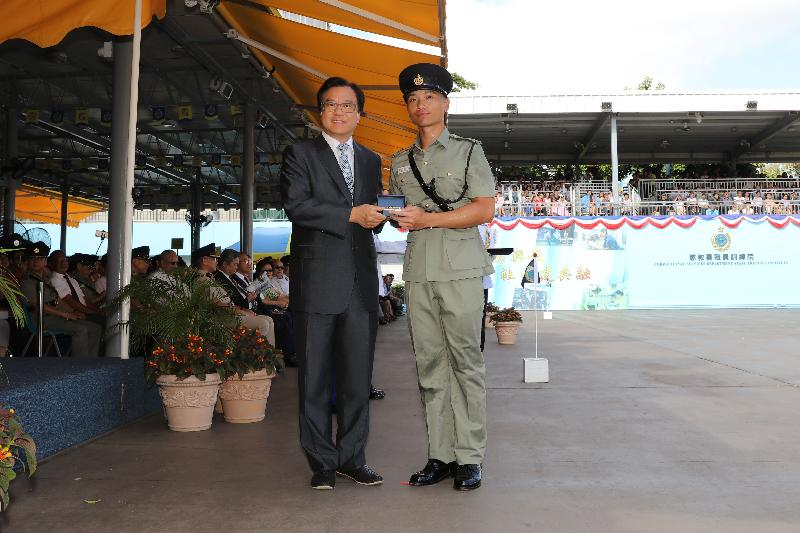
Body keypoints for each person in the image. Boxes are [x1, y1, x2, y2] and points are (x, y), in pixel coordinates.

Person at [389, 63, 495, 491]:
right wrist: (393, 217)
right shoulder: (399, 160)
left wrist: (428, 219)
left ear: (445, 104)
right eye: (412, 99)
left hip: (463, 270)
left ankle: (470, 457)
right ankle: (441, 454)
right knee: (429, 365)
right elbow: (402, 216)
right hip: (419, 273)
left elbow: (483, 209)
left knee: (466, 364)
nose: (420, 105)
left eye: (428, 97)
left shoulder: (469, 151)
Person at [279, 76, 385, 490]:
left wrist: (381, 218)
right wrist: (349, 216)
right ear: (319, 112)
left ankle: (352, 458)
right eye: (330, 104)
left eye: (347, 105)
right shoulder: (300, 152)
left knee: (359, 380)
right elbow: (297, 205)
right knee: (315, 382)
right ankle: (322, 462)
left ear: (360, 113)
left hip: (359, 285)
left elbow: (367, 213)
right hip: (318, 281)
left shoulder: (372, 159)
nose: (339, 111)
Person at [20, 242, 102, 358]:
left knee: (95, 328)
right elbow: (39, 305)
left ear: (45, 262)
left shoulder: (45, 279)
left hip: (54, 316)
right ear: (27, 261)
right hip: (40, 318)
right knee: (81, 329)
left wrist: (73, 312)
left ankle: (90, 362)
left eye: (39, 259)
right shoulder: (27, 281)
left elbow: (57, 299)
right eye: (32, 258)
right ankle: (80, 367)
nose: (35, 262)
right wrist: (65, 314)